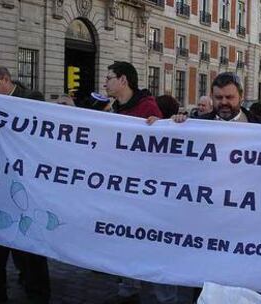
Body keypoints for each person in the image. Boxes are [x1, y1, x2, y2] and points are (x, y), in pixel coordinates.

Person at [103, 61, 163, 304]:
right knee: (123, 239)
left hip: (144, 193)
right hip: (122, 190)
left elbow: (162, 149)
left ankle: (160, 294)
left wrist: (158, 128)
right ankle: (127, 288)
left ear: (123, 80)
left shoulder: (148, 108)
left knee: (148, 242)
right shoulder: (113, 108)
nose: (105, 82)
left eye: (109, 77)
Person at [0, 66, 51, 304]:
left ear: (5, 80)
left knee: (30, 249)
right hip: (2, 187)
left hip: (26, 188)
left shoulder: (30, 99)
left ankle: (38, 294)